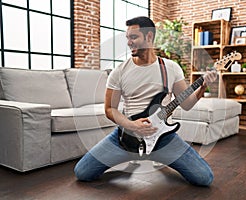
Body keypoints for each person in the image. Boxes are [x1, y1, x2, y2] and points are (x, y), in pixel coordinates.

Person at [74, 16, 217, 186]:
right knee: (82, 171)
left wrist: (202, 88)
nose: (129, 42)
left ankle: (159, 155)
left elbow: (186, 104)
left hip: (164, 137)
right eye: (127, 38)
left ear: (149, 37)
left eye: (133, 37)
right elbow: (109, 109)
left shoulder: (170, 68)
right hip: (127, 137)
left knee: (204, 177)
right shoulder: (119, 72)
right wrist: (133, 125)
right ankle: (133, 155)